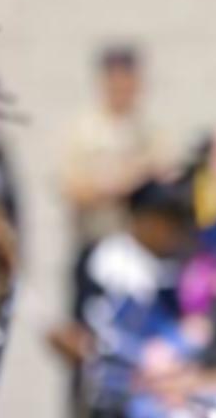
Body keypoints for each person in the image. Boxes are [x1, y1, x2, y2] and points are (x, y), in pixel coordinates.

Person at [61, 42, 162, 257]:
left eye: (128, 81)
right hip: (96, 239)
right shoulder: (85, 130)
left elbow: (165, 173)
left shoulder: (149, 131)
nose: (123, 89)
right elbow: (71, 188)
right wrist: (118, 185)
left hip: (139, 246)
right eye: (116, 82)